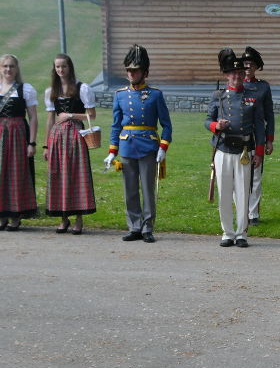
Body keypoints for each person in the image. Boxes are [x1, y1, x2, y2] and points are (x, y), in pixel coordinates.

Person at [104, 45, 172, 244]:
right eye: (129, 70)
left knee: (148, 190)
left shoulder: (156, 95)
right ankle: (134, 226)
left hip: (148, 147)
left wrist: (163, 148)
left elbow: (166, 126)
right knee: (130, 189)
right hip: (127, 146)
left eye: (135, 70)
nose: (131, 74)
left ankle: (147, 227)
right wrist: (111, 151)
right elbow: (116, 125)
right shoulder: (120, 95)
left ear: (145, 72)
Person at [205, 49, 265, 248]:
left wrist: (259, 152)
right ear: (227, 75)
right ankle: (227, 232)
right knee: (225, 193)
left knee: (243, 194)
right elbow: (207, 121)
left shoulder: (252, 97)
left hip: (244, 151)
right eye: (233, 74)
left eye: (240, 73)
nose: (237, 77)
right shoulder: (219, 96)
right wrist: (216, 126)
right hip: (223, 149)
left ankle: (241, 233)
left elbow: (259, 127)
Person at [43, 54, 96, 234]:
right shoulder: (52, 90)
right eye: (57, 67)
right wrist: (46, 145)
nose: (60, 70)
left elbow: (92, 115)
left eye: (63, 66)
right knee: (59, 175)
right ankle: (63, 218)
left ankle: (79, 219)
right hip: (57, 137)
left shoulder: (82, 88)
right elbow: (50, 119)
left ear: (69, 67)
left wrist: (71, 115)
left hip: (75, 135)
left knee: (76, 175)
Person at [0, 54, 38, 229]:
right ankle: (2, 215)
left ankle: (16, 215)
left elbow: (33, 117)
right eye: (5, 66)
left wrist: (32, 143)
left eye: (12, 66)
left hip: (18, 135)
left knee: (16, 174)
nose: (8, 69)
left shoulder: (25, 89)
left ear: (17, 68)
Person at [241, 47, 274, 227]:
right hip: (238, 137)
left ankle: (253, 214)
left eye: (251, 64)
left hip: (257, 136)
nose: (248, 67)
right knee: (238, 176)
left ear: (256, 67)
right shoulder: (236, 85)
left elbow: (269, 115)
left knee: (255, 177)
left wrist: (269, 139)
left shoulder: (263, 87)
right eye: (245, 64)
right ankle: (241, 211)